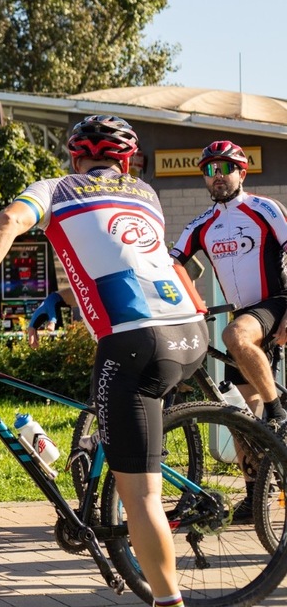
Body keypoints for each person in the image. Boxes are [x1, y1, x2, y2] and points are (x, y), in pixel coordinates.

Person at [0, 115, 208, 607]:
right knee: (114, 415)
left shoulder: (56, 188)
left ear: (75, 157)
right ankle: (103, 463)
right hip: (189, 331)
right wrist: (60, 299)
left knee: (141, 497)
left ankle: (170, 601)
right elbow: (121, 262)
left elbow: (7, 221)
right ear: (124, 161)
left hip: (134, 341)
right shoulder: (144, 195)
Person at [169, 140, 287, 518]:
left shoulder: (264, 209)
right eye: (209, 170)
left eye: (225, 168)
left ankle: (278, 411)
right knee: (237, 412)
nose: (217, 176)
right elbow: (170, 266)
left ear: (242, 172)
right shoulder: (201, 224)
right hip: (241, 313)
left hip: (274, 304)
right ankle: (257, 496)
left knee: (234, 336)